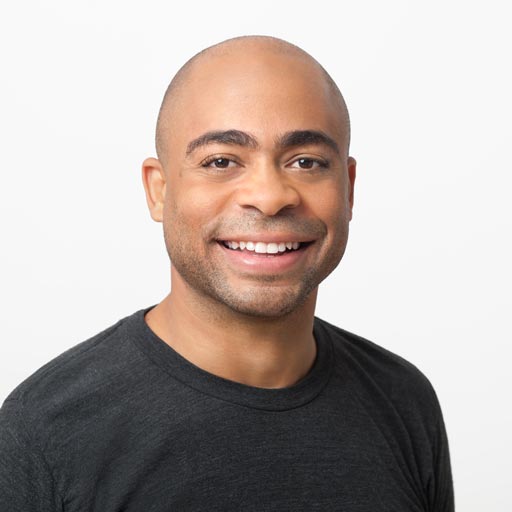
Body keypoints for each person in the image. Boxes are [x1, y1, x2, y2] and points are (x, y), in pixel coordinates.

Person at [0, 35, 454, 511]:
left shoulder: (404, 401)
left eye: (306, 162)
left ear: (348, 188)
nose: (270, 196)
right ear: (158, 191)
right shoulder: (45, 434)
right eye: (220, 161)